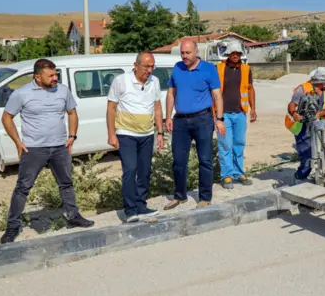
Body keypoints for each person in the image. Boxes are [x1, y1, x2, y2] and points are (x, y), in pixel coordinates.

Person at [0, 59, 94, 243]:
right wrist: (18, 143)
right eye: (50, 75)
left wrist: (72, 136)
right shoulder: (21, 93)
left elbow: (72, 113)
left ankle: (73, 216)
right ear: (37, 76)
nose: (55, 78)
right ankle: (12, 227)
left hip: (60, 147)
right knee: (23, 188)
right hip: (34, 149)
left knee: (66, 184)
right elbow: (6, 118)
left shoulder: (62, 90)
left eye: (55, 74)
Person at [164, 40, 226, 210]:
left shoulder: (209, 69)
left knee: (205, 159)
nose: (184, 56)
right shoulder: (177, 68)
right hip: (180, 120)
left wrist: (219, 119)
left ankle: (205, 197)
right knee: (178, 160)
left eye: (188, 53)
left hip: (203, 119)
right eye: (182, 53)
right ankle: (180, 196)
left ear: (196, 52)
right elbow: (171, 94)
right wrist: (168, 117)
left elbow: (217, 96)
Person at [106, 52, 165, 223]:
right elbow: (111, 108)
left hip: (147, 134)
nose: (150, 70)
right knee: (130, 170)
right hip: (126, 134)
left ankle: (141, 205)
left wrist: (159, 132)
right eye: (146, 66)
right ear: (136, 65)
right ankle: (130, 210)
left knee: (145, 171)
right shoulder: (121, 81)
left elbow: (157, 107)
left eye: (152, 66)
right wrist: (111, 133)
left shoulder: (154, 81)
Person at [213, 40, 255, 189]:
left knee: (239, 144)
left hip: (240, 112)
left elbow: (250, 89)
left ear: (241, 54)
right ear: (228, 54)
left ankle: (239, 173)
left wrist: (253, 108)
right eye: (233, 53)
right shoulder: (218, 68)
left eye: (238, 53)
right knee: (225, 144)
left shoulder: (246, 69)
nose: (235, 55)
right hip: (223, 114)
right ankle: (227, 175)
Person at [285, 68, 325, 183]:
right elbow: (292, 105)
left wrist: (320, 113)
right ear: (321, 80)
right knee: (307, 153)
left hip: (319, 125)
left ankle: (319, 176)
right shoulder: (303, 88)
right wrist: (294, 114)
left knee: (322, 152)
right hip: (302, 126)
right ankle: (300, 177)